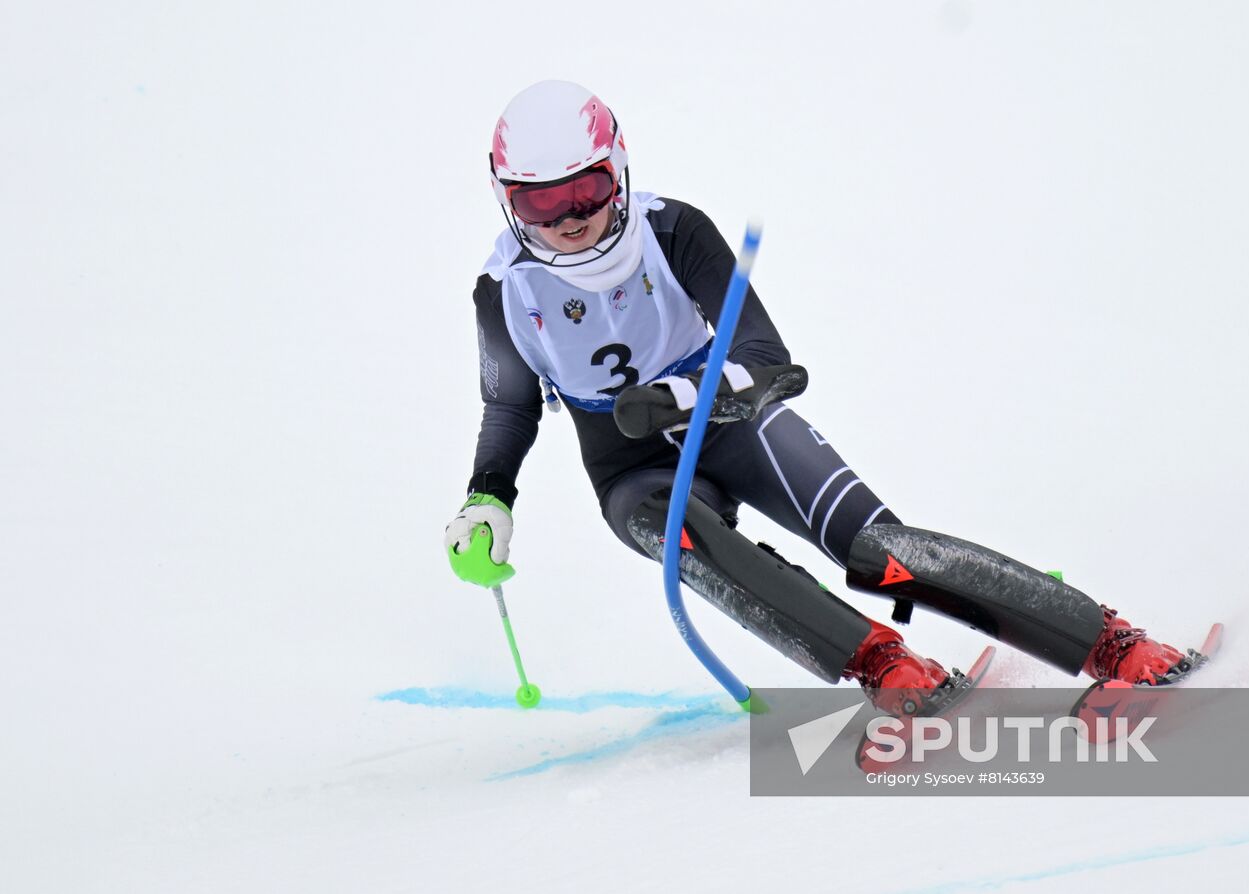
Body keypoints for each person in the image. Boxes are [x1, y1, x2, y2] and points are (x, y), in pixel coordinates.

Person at [445, 80, 1193, 716]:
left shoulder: (673, 231)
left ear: (621, 170)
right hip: (629, 466)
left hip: (736, 424)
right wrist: (488, 498)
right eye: (540, 202)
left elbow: (763, 353)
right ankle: (885, 667)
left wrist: (679, 396)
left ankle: (1109, 641)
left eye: (588, 189)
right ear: (506, 200)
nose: (570, 217)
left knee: (875, 549)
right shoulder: (504, 289)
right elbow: (511, 404)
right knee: (689, 544)